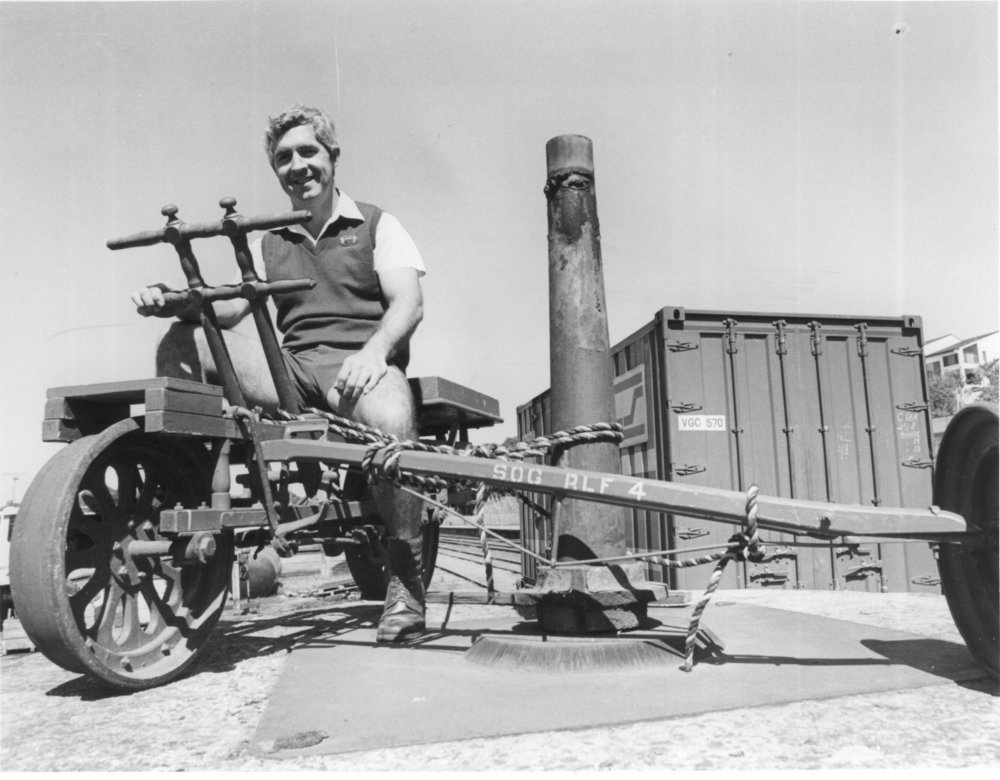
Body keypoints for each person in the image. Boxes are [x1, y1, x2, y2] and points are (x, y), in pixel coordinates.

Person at [130, 104, 428, 643]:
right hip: (289, 372)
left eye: (308, 151)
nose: (298, 165)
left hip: (359, 368)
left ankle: (405, 576)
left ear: (332, 156)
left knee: (394, 428)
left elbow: (408, 303)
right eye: (284, 157)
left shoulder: (379, 223)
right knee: (184, 338)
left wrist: (374, 353)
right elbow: (231, 309)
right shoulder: (272, 239)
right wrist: (170, 302)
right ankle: (187, 482)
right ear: (276, 170)